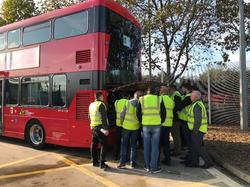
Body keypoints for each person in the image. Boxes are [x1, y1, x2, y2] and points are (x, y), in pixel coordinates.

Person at [137, 86, 166, 173]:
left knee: (146, 146)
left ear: (147, 91)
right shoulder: (159, 99)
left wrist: (141, 121)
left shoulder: (141, 99)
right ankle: (154, 167)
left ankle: (147, 166)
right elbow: (164, 113)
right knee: (155, 147)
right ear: (155, 92)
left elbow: (138, 113)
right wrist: (161, 121)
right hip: (156, 125)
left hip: (145, 125)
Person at [186, 90, 213, 169]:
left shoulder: (197, 105)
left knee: (198, 147)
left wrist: (195, 129)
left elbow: (198, 119)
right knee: (195, 146)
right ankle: (194, 162)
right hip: (198, 129)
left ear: (195, 97)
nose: (190, 97)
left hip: (197, 130)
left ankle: (209, 162)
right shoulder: (197, 104)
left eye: (191, 96)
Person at [117, 91, 143, 169]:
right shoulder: (141, 104)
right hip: (135, 128)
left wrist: (122, 123)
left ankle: (122, 163)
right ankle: (133, 163)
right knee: (133, 146)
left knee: (124, 146)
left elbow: (122, 114)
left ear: (134, 96)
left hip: (126, 127)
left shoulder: (128, 103)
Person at [88, 92, 109, 169]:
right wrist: (106, 129)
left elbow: (89, 117)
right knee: (104, 144)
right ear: (100, 97)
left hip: (93, 127)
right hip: (100, 127)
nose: (103, 98)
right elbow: (103, 118)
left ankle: (94, 161)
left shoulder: (91, 105)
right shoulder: (101, 105)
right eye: (102, 97)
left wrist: (92, 125)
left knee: (94, 144)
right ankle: (102, 163)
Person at [160, 86, 175, 165]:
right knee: (166, 143)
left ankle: (156, 159)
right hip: (169, 123)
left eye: (160, 90)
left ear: (162, 91)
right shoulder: (171, 100)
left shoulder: (160, 99)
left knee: (158, 143)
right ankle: (167, 159)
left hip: (161, 123)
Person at [178, 83, 193, 161]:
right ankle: (189, 155)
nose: (182, 90)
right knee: (187, 139)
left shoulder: (188, 97)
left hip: (186, 120)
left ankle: (190, 157)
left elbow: (180, 105)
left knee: (188, 139)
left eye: (183, 88)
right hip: (185, 120)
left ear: (187, 89)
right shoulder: (186, 96)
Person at [114, 93, 129, 160]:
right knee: (125, 142)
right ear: (128, 97)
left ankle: (115, 155)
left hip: (118, 124)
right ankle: (124, 157)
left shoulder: (116, 102)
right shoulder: (128, 102)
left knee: (117, 141)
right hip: (125, 125)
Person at [169, 84, 182, 156]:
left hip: (175, 118)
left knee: (176, 135)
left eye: (169, 89)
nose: (169, 90)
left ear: (172, 89)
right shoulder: (173, 95)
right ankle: (176, 149)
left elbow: (177, 106)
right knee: (174, 135)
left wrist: (172, 111)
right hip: (174, 118)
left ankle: (177, 151)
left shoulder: (176, 95)